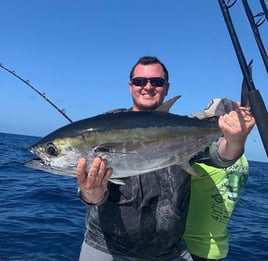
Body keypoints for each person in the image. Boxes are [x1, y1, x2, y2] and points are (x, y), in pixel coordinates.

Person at [76, 56, 255, 260]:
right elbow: (91, 197)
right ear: (130, 86)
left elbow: (222, 156)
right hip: (106, 250)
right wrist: (91, 193)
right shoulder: (104, 126)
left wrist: (236, 140)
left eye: (157, 82)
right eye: (140, 81)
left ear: (166, 88)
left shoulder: (185, 129)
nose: (148, 87)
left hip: (171, 252)